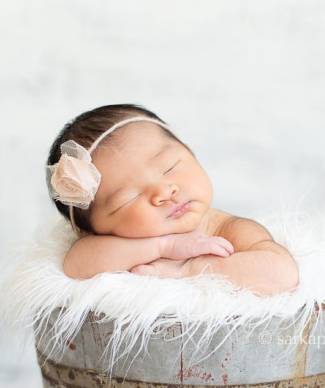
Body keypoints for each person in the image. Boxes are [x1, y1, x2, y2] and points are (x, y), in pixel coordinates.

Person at [45, 104, 299, 296]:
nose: (164, 191)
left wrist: (187, 270)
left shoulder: (229, 229)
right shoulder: (118, 246)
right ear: (90, 231)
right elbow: (75, 265)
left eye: (169, 167)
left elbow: (282, 272)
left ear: (190, 152)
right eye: (129, 197)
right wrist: (162, 248)